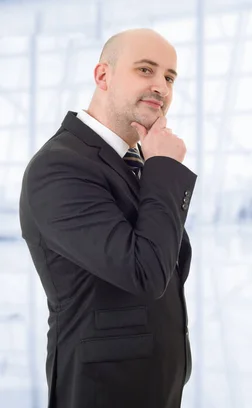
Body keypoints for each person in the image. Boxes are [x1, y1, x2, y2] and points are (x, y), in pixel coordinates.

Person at [19, 28, 197, 408]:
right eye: (145, 70)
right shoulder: (60, 166)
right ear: (103, 76)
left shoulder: (134, 164)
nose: (161, 87)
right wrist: (164, 168)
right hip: (103, 388)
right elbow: (144, 272)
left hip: (153, 384)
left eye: (169, 77)